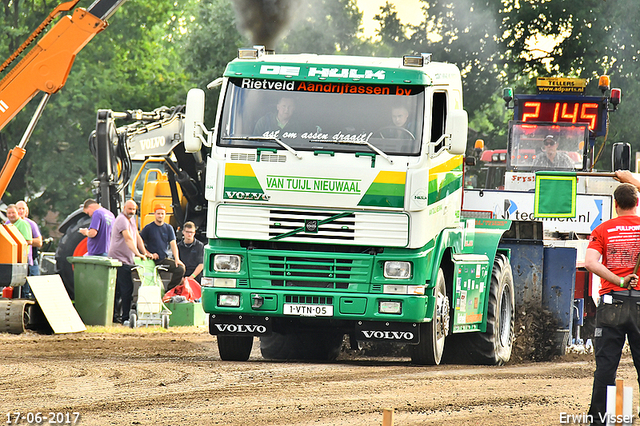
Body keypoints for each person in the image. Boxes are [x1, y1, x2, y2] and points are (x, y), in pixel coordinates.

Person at [584, 182, 640, 424]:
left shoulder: (603, 229)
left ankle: (599, 419)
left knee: (606, 367)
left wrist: (619, 279)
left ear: (615, 205)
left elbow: (590, 263)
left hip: (611, 303)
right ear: (637, 204)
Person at [108, 200, 151, 324]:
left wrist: (145, 252)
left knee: (124, 289)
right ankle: (124, 318)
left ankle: (119, 316)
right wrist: (138, 254)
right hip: (119, 260)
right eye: (130, 209)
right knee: (125, 289)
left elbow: (136, 237)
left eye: (133, 209)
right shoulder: (122, 219)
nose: (132, 211)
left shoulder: (131, 220)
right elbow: (128, 238)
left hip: (127, 260)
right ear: (124, 208)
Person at [140, 204, 185, 291]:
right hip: (151, 261)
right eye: (158, 213)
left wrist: (177, 259)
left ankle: (169, 290)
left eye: (162, 214)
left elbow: (173, 244)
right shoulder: (148, 228)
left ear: (165, 215)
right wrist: (148, 254)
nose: (160, 216)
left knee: (180, 269)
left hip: (163, 260)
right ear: (154, 214)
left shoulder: (168, 228)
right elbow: (139, 242)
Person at [6, 204, 33, 298]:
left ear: (18, 213)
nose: (11, 215)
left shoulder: (23, 224)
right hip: (10, 260)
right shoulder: (7, 224)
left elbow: (29, 240)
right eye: (9, 213)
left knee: (22, 290)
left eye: (13, 212)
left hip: (22, 260)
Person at [15, 200, 42, 276]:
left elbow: (39, 242)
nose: (21, 211)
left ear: (27, 211)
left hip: (30, 260)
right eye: (19, 209)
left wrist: (25, 241)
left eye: (23, 209)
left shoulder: (31, 224)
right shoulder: (9, 223)